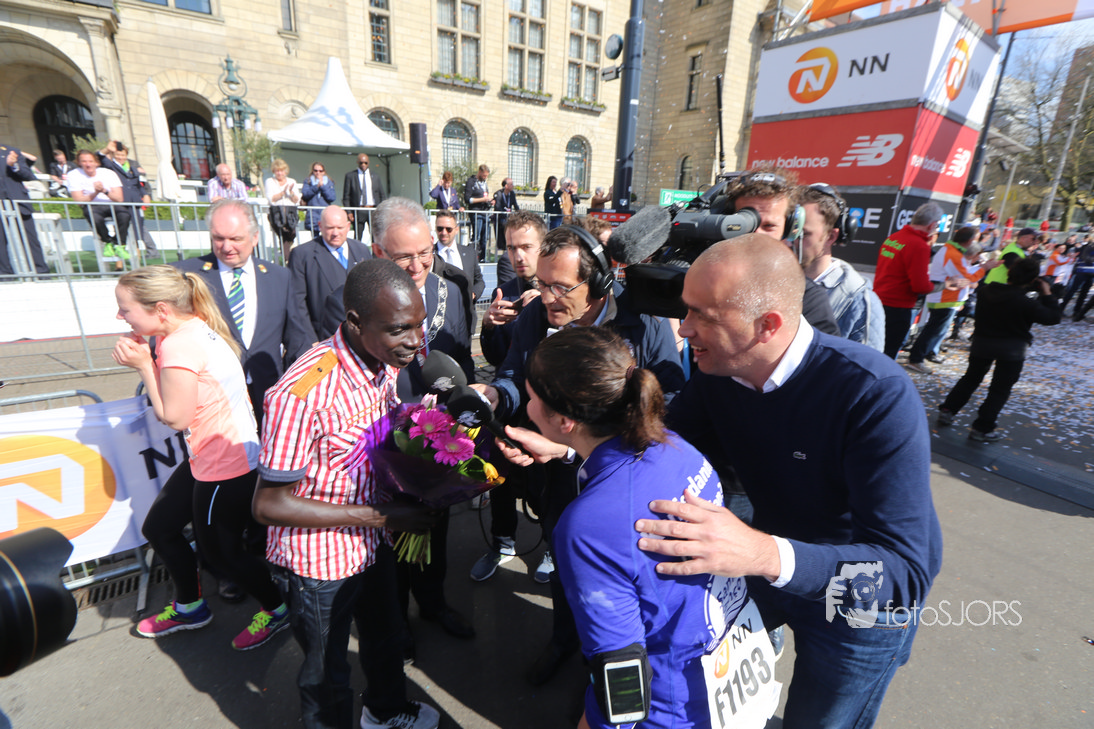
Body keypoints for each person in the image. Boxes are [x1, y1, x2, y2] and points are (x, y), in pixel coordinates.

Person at [633, 234, 942, 729]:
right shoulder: (719, 370)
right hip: (772, 562)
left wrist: (762, 554)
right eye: (685, 310)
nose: (683, 329)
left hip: (861, 602)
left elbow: (903, 573)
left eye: (701, 315)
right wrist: (575, 444)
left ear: (767, 325)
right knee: (705, 687)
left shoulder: (874, 392)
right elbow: (665, 444)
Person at [496, 327, 744, 729]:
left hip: (663, 706)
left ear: (564, 419)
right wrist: (567, 451)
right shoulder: (672, 444)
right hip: (717, 667)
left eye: (532, 397)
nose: (527, 406)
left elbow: (621, 680)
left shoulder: (587, 528)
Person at [472, 224, 684, 685]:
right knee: (568, 567)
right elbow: (515, 373)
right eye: (541, 284)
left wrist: (576, 448)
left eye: (561, 287)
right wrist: (497, 394)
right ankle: (564, 641)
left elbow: (668, 408)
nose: (547, 298)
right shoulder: (537, 315)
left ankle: (614, 675)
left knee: (618, 585)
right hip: (557, 483)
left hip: (624, 490)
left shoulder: (643, 321)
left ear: (599, 283)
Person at [253, 258, 441, 729]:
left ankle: (385, 711)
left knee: (385, 637)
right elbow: (269, 504)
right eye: (400, 329)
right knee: (326, 675)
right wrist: (382, 516)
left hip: (372, 546)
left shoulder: (383, 361)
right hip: (319, 565)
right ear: (355, 322)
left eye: (418, 324)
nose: (416, 340)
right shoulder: (301, 394)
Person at [112, 265, 289, 650]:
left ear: (161, 309)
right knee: (160, 529)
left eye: (125, 309)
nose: (120, 316)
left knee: (223, 555)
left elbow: (175, 417)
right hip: (219, 456)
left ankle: (278, 609)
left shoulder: (177, 345)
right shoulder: (192, 327)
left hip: (225, 465)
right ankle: (190, 606)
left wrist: (144, 365)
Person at [333, 197, 475, 651]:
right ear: (378, 252)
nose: (417, 266)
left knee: (435, 528)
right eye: (403, 257)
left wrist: (457, 419)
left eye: (425, 252)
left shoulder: (451, 291)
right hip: (380, 443)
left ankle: (433, 603)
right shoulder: (353, 299)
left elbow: (462, 361)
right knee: (390, 544)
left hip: (436, 440)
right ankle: (396, 625)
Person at [174, 198, 313, 429]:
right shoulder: (186, 275)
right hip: (213, 401)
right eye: (218, 238)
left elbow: (298, 339)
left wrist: (302, 390)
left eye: (235, 239)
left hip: (268, 395)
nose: (226, 247)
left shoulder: (279, 277)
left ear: (254, 237)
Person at [938, 257, 1062, 441]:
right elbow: (1053, 318)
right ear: (1031, 280)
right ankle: (982, 428)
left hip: (982, 343)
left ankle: (948, 409)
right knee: (999, 389)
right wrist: (1047, 293)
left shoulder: (986, 291)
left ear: (1009, 273)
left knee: (970, 378)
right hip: (1012, 350)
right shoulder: (1026, 303)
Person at [721, 169, 840, 337]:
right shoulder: (702, 279)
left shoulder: (808, 298)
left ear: (789, 229)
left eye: (769, 226)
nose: (756, 233)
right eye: (746, 223)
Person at [796, 183, 884, 350]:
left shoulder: (858, 300)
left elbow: (863, 363)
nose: (790, 241)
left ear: (831, 236)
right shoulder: (773, 277)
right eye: (788, 231)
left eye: (802, 234)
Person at [873, 202, 968, 358]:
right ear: (931, 225)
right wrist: (947, 284)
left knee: (874, 349)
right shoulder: (919, 245)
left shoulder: (894, 237)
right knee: (887, 355)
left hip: (879, 301)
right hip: (898, 307)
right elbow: (921, 287)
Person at [905, 227, 999, 374]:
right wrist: (985, 268)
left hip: (947, 299)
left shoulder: (953, 251)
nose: (979, 243)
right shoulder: (953, 254)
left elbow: (965, 275)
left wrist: (980, 268)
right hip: (944, 299)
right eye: (977, 239)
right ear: (970, 241)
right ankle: (916, 359)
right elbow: (967, 278)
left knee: (935, 330)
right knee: (934, 331)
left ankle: (919, 357)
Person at [288, 205, 372, 341]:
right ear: (320, 226)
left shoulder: (361, 250)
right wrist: (311, 340)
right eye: (330, 228)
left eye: (340, 227)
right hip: (323, 338)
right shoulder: (302, 255)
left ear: (348, 226)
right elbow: (297, 303)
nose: (335, 233)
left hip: (361, 338)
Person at [480, 210, 543, 367]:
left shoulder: (564, 290)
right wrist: (488, 327)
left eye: (526, 247)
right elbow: (496, 359)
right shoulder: (503, 295)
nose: (518, 257)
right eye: (511, 248)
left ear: (543, 246)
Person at [66, 149, 131, 269]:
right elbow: (79, 201)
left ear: (96, 162)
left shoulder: (108, 173)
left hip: (111, 203)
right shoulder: (73, 175)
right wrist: (95, 192)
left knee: (124, 215)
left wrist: (104, 191)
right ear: (79, 163)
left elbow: (119, 198)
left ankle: (119, 244)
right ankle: (108, 241)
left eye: (90, 161)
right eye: (84, 161)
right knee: (93, 216)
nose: (88, 164)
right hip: (92, 205)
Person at [98, 141, 158, 256]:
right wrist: (107, 149)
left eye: (123, 155)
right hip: (121, 204)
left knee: (137, 233)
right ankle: (119, 260)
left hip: (135, 204)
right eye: (118, 155)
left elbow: (138, 185)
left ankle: (138, 261)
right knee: (121, 230)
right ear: (113, 155)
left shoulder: (133, 169)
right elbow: (100, 157)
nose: (121, 157)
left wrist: (145, 195)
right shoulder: (111, 166)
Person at [0, 144, 50, 275]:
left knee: (30, 239)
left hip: (18, 202)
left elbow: (29, 176)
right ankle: (4, 275)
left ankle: (41, 272)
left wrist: (13, 165)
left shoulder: (12, 151)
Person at [433, 208, 484, 331]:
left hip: (465, 321)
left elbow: (479, 280)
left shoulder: (469, 253)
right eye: (440, 228)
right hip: (437, 322)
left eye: (448, 229)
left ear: (456, 230)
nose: (444, 232)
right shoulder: (428, 254)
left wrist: (472, 294)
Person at [342, 153, 386, 240]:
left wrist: (381, 210)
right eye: (361, 163)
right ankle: (357, 249)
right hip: (359, 210)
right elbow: (346, 196)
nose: (363, 165)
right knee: (358, 236)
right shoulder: (350, 176)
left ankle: (374, 250)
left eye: (365, 163)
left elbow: (381, 194)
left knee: (375, 236)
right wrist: (349, 212)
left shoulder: (375, 176)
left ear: (368, 162)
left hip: (373, 209)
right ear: (357, 162)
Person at [265, 158, 301, 261]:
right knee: (283, 236)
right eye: (277, 171)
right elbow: (271, 199)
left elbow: (296, 200)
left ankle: (288, 256)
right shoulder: (270, 181)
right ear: (274, 171)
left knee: (291, 233)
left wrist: (291, 193)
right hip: (277, 214)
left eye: (281, 170)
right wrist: (283, 193)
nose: (280, 173)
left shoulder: (291, 181)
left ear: (286, 171)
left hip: (290, 214)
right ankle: (287, 260)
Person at [463, 164, 492, 259]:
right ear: (479, 172)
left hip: (485, 212)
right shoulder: (471, 182)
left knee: (485, 238)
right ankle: (473, 258)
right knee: (476, 237)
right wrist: (482, 199)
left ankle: (483, 258)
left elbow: (485, 196)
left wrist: (490, 201)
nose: (485, 177)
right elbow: (467, 199)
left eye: (486, 176)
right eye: (484, 175)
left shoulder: (484, 183)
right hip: (476, 213)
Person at [301, 162, 337, 236]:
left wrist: (322, 187)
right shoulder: (308, 181)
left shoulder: (329, 182)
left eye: (320, 171)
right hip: (313, 214)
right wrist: (316, 187)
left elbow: (331, 197)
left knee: (327, 236)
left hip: (325, 214)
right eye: (315, 170)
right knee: (315, 238)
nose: (318, 173)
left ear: (324, 172)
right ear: (312, 171)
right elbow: (305, 195)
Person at [492, 177, 520, 258]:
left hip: (507, 218)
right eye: (511, 184)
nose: (513, 186)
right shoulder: (498, 194)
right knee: (503, 232)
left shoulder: (512, 194)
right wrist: (506, 213)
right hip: (500, 218)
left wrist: (520, 213)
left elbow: (515, 205)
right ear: (506, 186)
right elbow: (497, 207)